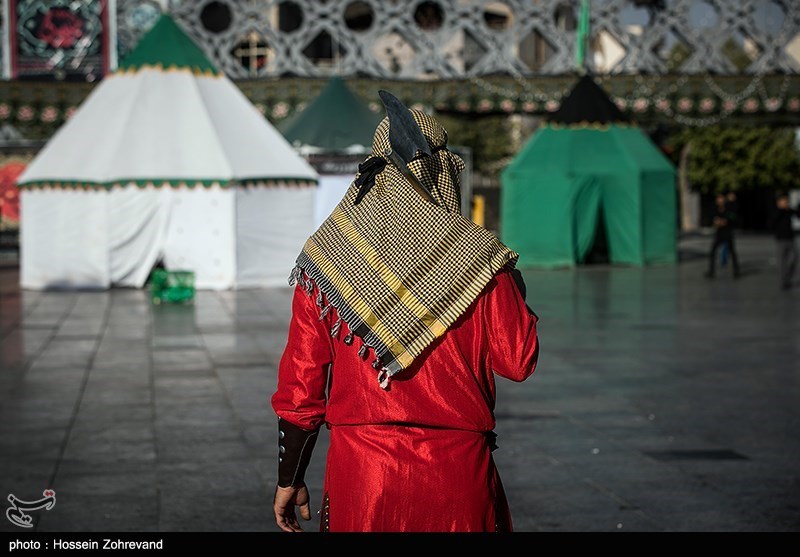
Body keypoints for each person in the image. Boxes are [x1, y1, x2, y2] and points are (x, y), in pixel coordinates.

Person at [270, 98, 540, 533]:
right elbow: (518, 361)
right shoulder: (483, 262)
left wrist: (289, 477)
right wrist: (510, 278)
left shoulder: (327, 259)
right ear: (446, 173)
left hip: (363, 476)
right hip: (456, 475)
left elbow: (301, 385)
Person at [768, 192, 800, 290]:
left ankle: (788, 276)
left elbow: (798, 214)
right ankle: (784, 281)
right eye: (784, 202)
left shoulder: (789, 211)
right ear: (779, 203)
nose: (786, 203)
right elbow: (771, 223)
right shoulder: (776, 211)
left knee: (795, 258)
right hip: (780, 239)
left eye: (787, 202)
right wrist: (781, 211)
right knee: (782, 261)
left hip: (790, 238)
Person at [705, 192, 740, 279]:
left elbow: (734, 217)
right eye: (718, 199)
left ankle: (736, 271)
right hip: (719, 233)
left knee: (732, 252)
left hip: (727, 232)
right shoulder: (715, 209)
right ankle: (711, 271)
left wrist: (725, 221)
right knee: (713, 251)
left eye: (721, 199)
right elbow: (711, 218)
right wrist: (715, 221)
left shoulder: (729, 208)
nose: (719, 201)